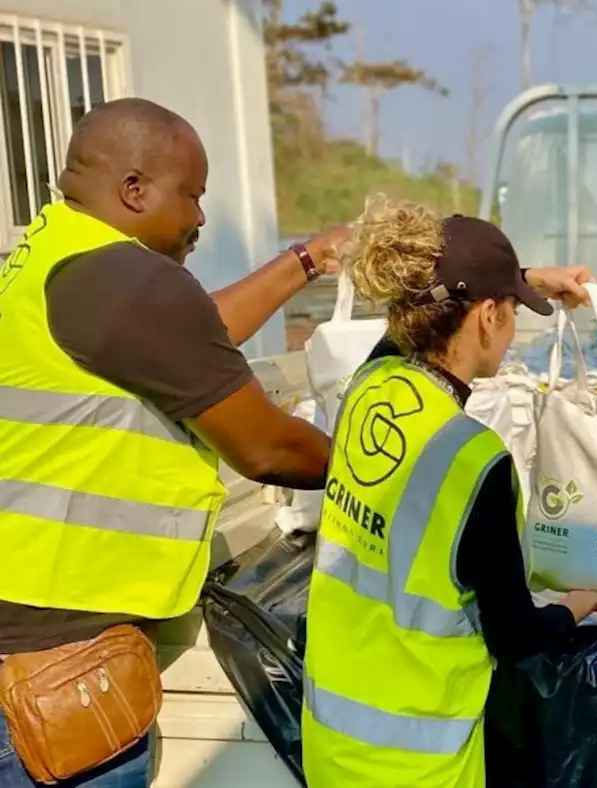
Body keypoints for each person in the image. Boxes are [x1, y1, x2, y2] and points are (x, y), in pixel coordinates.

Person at [0, 98, 341, 787]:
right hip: (57, 673)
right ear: (134, 189)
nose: (201, 217)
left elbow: (192, 334)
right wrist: (389, 465)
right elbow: (267, 449)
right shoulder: (123, 283)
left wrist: (306, 259)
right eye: (193, 195)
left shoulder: (55, 255)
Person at [302, 197, 597, 788]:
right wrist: (577, 606)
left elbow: (428, 310)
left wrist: (519, 280)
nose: (512, 328)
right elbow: (513, 636)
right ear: (488, 315)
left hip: (332, 740)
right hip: (419, 762)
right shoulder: (473, 460)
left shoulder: (368, 387)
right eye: (511, 310)